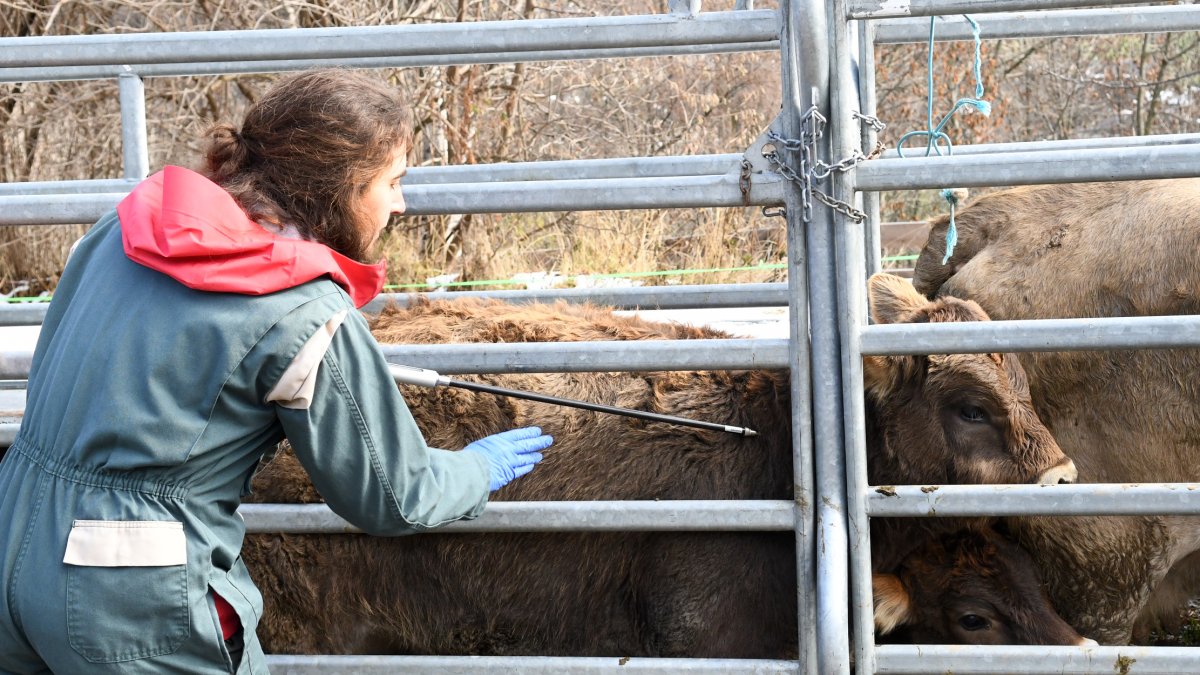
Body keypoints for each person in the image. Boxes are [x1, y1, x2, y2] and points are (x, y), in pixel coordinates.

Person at [0, 68, 552, 674]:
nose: (401, 202)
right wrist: (476, 468)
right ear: (341, 186)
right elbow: (393, 495)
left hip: (11, 537)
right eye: (391, 182)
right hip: (125, 588)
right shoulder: (304, 310)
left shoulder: (128, 225)